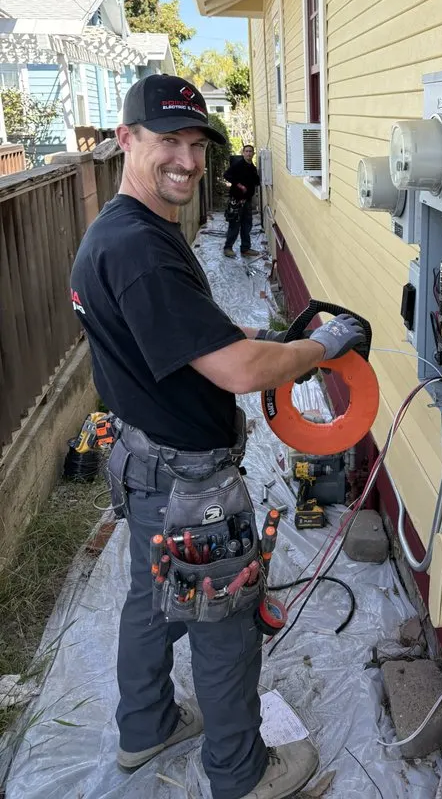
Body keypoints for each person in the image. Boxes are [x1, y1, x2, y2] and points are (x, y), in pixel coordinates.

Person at [70, 74, 366, 799]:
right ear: (126, 138)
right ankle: (241, 774)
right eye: (169, 140)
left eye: (198, 144)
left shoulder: (122, 231)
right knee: (224, 622)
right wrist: (319, 347)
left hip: (145, 467)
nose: (188, 160)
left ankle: (145, 728)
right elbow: (236, 371)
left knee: (150, 602)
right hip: (188, 484)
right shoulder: (141, 251)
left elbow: (192, 334)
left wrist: (266, 336)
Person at [223, 144, 260, 259]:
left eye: (250, 151)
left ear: (253, 154)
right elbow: (226, 175)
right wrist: (239, 185)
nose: (248, 153)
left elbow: (256, 181)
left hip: (247, 201)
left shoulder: (252, 167)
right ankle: (228, 248)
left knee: (247, 225)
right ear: (243, 153)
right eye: (246, 151)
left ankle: (245, 248)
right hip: (237, 200)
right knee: (234, 225)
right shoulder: (238, 165)